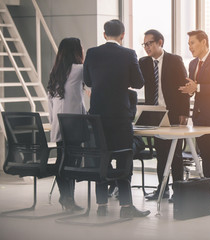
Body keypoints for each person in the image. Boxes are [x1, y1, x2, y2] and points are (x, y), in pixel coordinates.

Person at [83, 19, 150, 218]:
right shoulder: (128, 54)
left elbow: (88, 81)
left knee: (100, 158)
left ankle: (101, 205)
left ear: (104, 34)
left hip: (97, 116)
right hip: (120, 116)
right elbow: (138, 83)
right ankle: (126, 207)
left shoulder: (92, 53)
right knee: (124, 159)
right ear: (123, 35)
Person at [179, 30, 210, 207]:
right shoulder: (192, 64)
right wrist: (189, 90)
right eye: (189, 43)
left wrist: (197, 87)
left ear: (204, 42)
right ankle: (209, 189)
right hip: (199, 116)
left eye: (192, 43)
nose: (190, 46)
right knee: (205, 155)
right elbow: (194, 88)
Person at [139, 29, 190, 201]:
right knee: (160, 154)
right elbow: (137, 83)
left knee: (175, 154)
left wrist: (184, 112)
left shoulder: (174, 60)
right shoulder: (144, 63)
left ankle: (179, 191)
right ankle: (162, 189)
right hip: (155, 114)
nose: (146, 47)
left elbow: (184, 87)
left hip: (174, 113)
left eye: (149, 43)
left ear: (160, 42)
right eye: (144, 44)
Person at [47, 37, 85, 211]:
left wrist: (52, 122)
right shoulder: (78, 69)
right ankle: (67, 198)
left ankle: (66, 197)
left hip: (59, 123)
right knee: (72, 161)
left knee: (62, 160)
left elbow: (50, 102)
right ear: (76, 51)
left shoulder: (55, 72)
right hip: (73, 124)